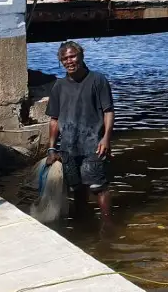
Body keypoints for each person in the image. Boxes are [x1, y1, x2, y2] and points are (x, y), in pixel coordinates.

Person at [45, 41, 114, 221]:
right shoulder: (58, 86)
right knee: (77, 189)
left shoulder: (97, 80)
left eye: (72, 56)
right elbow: (54, 119)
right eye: (65, 58)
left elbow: (108, 112)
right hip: (68, 148)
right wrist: (52, 148)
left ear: (81, 55)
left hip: (93, 145)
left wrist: (106, 138)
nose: (69, 61)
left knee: (98, 187)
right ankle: (83, 223)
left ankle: (107, 225)